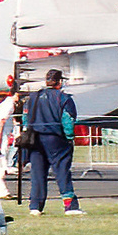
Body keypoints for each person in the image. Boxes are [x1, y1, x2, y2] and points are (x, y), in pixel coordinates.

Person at [23, 69, 82, 216]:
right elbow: (67, 119)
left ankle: (35, 206)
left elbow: (25, 118)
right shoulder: (64, 98)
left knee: (37, 173)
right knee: (62, 171)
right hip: (55, 138)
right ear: (60, 82)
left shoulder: (33, 97)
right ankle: (70, 206)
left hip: (35, 138)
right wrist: (69, 137)